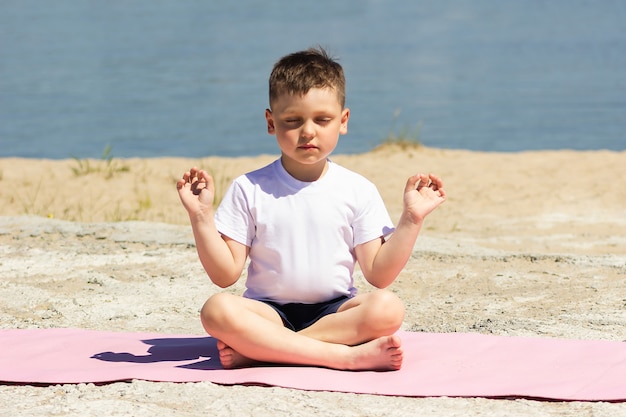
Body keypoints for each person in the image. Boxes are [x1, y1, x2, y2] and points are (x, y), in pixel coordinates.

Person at [176, 47, 446, 371]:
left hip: (335, 313)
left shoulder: (358, 189)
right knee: (216, 310)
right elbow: (224, 276)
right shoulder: (249, 188)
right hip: (267, 313)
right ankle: (341, 357)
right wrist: (201, 217)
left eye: (322, 120)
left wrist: (411, 219)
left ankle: (267, 350)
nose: (308, 131)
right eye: (292, 120)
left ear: (343, 121)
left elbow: (379, 274)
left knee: (388, 309)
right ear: (270, 122)